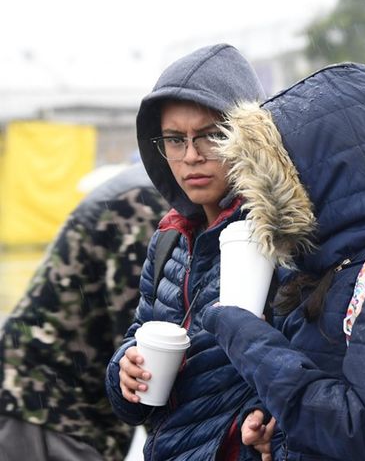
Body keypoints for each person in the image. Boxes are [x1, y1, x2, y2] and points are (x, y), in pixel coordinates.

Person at [201, 63, 365, 460]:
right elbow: (324, 407)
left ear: (316, 177)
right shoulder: (327, 270)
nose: (258, 202)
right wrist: (276, 429)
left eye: (271, 176)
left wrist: (247, 338)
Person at [105, 43, 266, 459]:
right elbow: (138, 335)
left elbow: (309, 370)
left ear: (245, 137)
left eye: (211, 136)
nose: (191, 156)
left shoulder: (274, 239)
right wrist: (126, 371)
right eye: (175, 140)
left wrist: (270, 426)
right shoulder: (168, 240)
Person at [0, 162, 170, 460]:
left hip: (61, 411)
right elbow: (143, 345)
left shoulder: (151, 188)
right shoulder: (145, 201)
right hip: (43, 406)